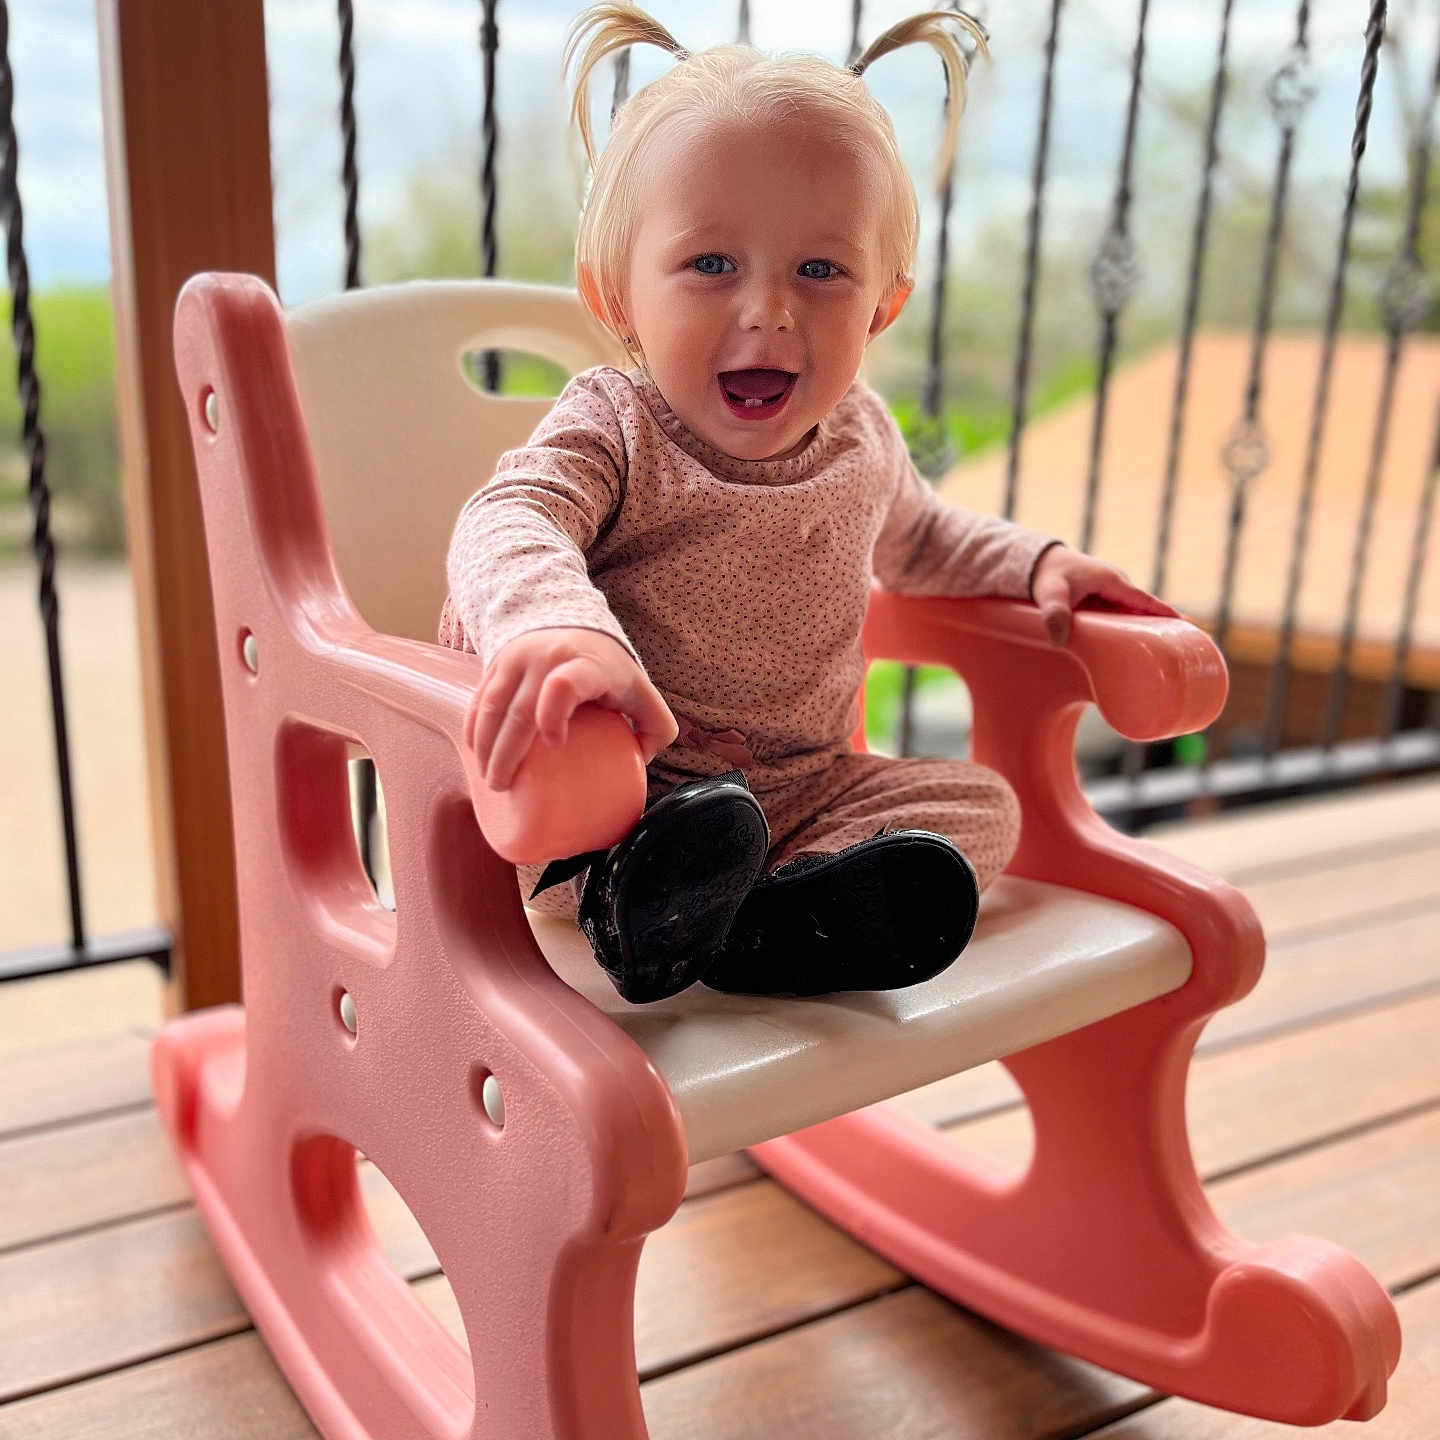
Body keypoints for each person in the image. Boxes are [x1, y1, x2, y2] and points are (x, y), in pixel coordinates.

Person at [439, 2, 1177, 1004]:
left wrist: (1037, 564)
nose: (770, 311)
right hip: (630, 804)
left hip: (806, 793)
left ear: (882, 309)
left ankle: (768, 922)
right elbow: (509, 519)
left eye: (821, 271)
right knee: (615, 801)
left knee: (981, 806)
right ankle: (653, 905)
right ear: (615, 296)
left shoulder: (862, 436)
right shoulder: (618, 425)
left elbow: (925, 541)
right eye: (711, 265)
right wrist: (557, 626)